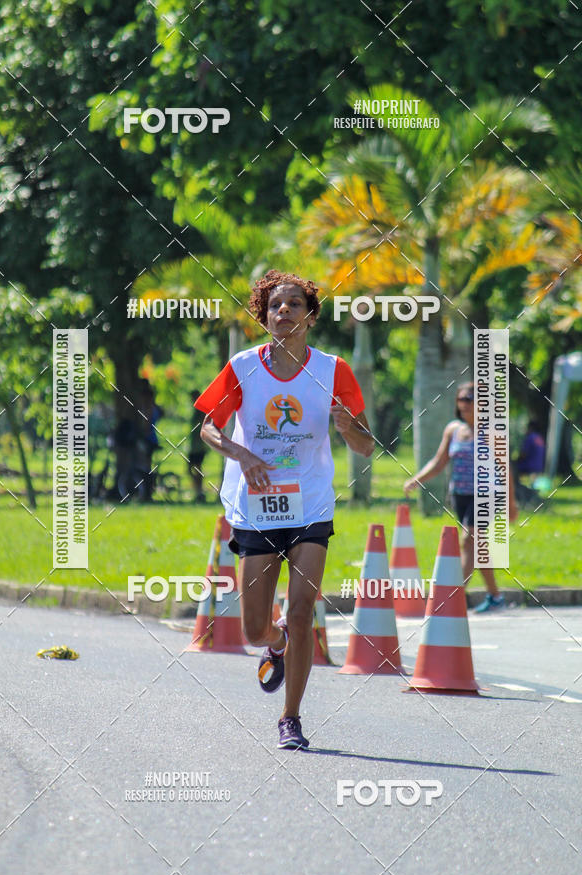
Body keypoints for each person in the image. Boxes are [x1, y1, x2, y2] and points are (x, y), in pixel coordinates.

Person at [195, 270, 374, 749]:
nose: (284, 312)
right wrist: (243, 455)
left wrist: (348, 427)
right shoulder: (243, 366)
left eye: (295, 304)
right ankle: (272, 646)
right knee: (255, 628)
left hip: (310, 503)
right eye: (275, 305)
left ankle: (290, 719)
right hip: (258, 506)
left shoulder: (334, 370)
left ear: (311, 316)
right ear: (264, 315)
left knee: (301, 612)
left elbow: (366, 447)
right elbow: (208, 429)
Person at [403, 381, 518, 614]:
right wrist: (417, 479)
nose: (464, 403)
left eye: (469, 399)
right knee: (477, 545)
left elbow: (505, 469)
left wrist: (511, 502)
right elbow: (439, 461)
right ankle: (495, 596)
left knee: (469, 539)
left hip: (486, 494)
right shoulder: (453, 429)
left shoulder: (493, 432)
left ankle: (451, 599)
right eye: (461, 399)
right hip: (461, 495)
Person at [188, 391, 207, 502]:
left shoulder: (201, 411)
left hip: (199, 446)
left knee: (197, 469)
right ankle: (197, 491)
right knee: (191, 469)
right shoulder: (196, 411)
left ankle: (199, 492)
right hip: (193, 446)